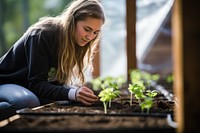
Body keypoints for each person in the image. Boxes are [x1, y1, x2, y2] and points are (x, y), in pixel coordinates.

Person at [0, 0, 106, 110]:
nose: (90, 37)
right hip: (5, 83)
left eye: (95, 32)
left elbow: (54, 83)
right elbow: (37, 84)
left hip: (27, 88)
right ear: (72, 21)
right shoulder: (42, 35)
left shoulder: (76, 41)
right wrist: (73, 93)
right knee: (27, 101)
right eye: (87, 29)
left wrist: (77, 93)